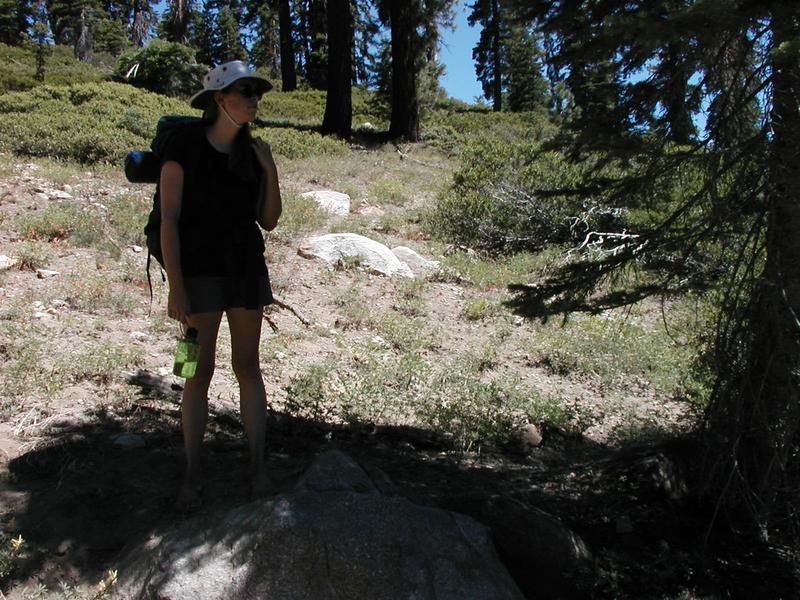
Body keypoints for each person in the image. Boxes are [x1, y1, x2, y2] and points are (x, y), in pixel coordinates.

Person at [158, 60, 282, 509]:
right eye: (243, 91)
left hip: (246, 272)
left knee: (248, 367)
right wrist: (176, 287)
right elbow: (169, 220)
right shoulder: (182, 145)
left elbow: (268, 221)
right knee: (194, 371)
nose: (253, 99)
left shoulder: (251, 151)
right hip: (196, 275)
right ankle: (192, 473)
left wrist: (269, 170)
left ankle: (258, 468)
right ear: (218, 99)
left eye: (256, 92)